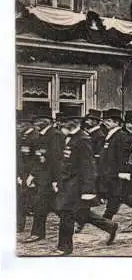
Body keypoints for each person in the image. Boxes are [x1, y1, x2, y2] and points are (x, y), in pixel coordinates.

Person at [52, 115, 117, 256]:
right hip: (67, 182)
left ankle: (65, 247)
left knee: (66, 214)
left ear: (73, 123)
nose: (60, 124)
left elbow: (89, 166)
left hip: (76, 185)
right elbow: (64, 162)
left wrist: (88, 189)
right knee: (82, 213)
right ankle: (110, 226)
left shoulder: (83, 139)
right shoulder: (69, 137)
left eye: (64, 122)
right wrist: (58, 180)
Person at [23, 110, 65, 244]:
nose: (35, 124)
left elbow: (56, 159)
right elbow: (39, 158)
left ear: (46, 121)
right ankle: (37, 233)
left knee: (63, 208)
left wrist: (55, 180)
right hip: (43, 177)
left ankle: (107, 225)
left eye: (37, 120)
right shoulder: (41, 135)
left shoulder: (55, 135)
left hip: (52, 178)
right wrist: (33, 175)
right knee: (42, 205)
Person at [98, 108, 130, 220]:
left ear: (116, 123)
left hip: (115, 170)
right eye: (105, 120)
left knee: (115, 194)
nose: (106, 123)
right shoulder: (109, 134)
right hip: (108, 170)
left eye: (109, 121)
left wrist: (121, 171)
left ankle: (107, 218)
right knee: (118, 195)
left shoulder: (121, 135)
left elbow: (122, 155)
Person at [17, 111, 37, 233]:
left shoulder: (34, 136)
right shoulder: (22, 135)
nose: (18, 126)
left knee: (22, 198)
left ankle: (20, 225)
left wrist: (31, 175)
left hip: (29, 172)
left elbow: (33, 158)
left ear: (27, 124)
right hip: (22, 171)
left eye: (20, 123)